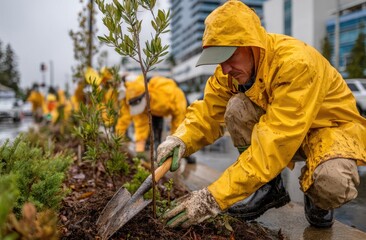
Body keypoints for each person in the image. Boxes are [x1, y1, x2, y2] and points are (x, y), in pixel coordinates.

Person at [157, 0, 366, 229]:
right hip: (284, 129)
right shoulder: (229, 73)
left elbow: (273, 144)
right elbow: (208, 113)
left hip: (329, 129)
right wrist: (180, 139)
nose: (225, 68)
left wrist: (212, 197)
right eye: (219, 59)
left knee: (331, 183)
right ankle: (269, 188)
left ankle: (318, 195)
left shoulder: (296, 63)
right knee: (236, 108)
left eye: (230, 57)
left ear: (252, 45)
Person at [115, 75, 196, 164]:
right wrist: (139, 150)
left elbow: (178, 122)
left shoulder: (169, 95)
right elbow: (141, 125)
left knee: (185, 127)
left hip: (178, 102)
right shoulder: (136, 97)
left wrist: (177, 143)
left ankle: (186, 154)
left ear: (145, 96)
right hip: (156, 109)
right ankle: (158, 152)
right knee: (156, 129)